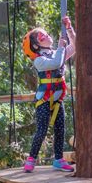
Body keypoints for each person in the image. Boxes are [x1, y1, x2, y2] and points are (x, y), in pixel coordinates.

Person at [22, 16, 76, 172]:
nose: (47, 36)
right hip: (44, 100)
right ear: (36, 45)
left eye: (45, 34)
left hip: (58, 99)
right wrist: (60, 46)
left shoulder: (56, 52)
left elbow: (75, 46)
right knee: (42, 129)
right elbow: (55, 63)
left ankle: (58, 159)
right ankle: (31, 158)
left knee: (60, 129)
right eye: (42, 36)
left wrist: (69, 29)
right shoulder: (39, 60)